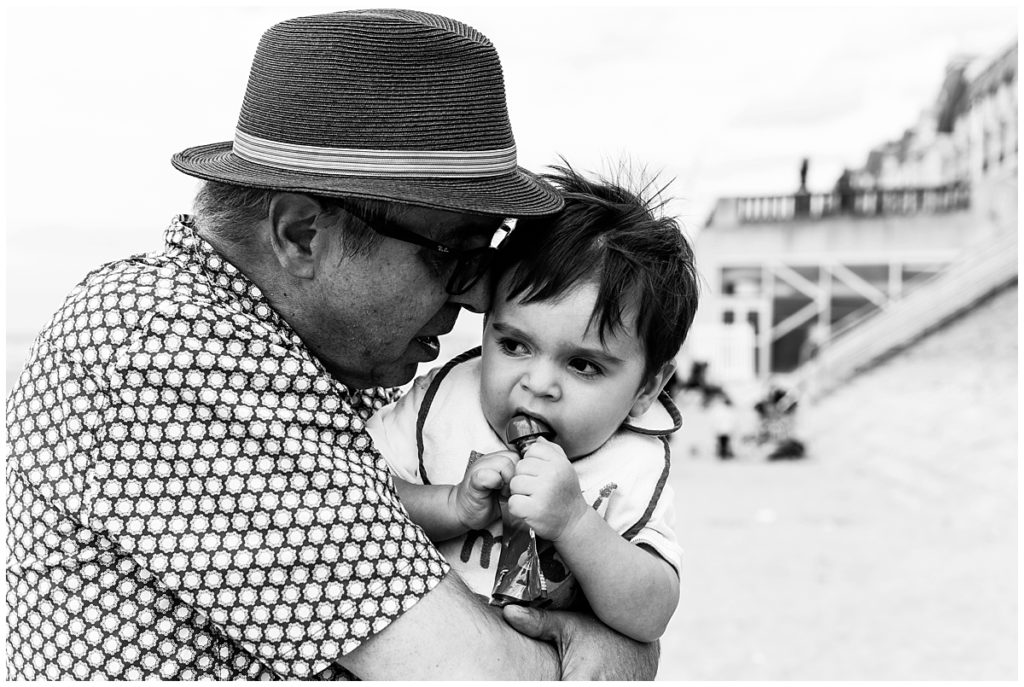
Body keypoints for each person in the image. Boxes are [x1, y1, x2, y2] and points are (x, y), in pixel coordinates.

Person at [5, 10, 659, 680]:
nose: (476, 296)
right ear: (299, 234)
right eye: (453, 252)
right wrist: (616, 648)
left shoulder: (303, 355)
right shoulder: (163, 350)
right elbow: (485, 676)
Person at [367, 166, 699, 642]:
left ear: (646, 388)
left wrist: (575, 522)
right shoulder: (444, 401)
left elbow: (651, 615)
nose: (538, 384)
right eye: (515, 345)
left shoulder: (630, 462)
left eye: (584, 366)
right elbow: (361, 499)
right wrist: (452, 506)